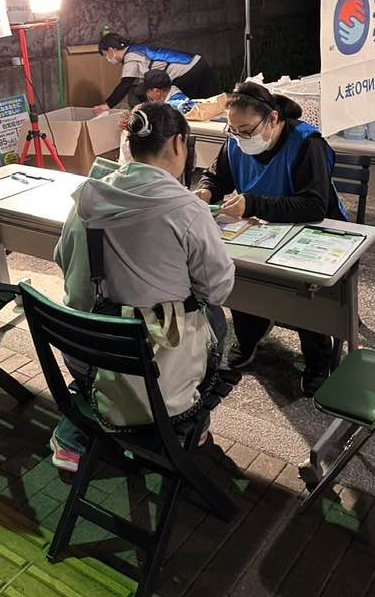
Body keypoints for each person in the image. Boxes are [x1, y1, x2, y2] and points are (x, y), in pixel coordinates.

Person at [51, 102, 234, 472]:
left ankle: (81, 426)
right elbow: (216, 289)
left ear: (130, 144)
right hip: (155, 375)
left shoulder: (88, 197)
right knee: (214, 317)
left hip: (86, 353)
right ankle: (184, 421)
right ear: (179, 144)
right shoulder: (188, 210)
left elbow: (62, 259)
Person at [195, 81, 347, 397]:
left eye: (247, 130)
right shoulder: (236, 141)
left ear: (273, 119)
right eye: (234, 130)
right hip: (261, 230)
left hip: (314, 232)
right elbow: (216, 176)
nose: (240, 137)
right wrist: (206, 190)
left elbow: (314, 206)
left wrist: (253, 204)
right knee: (238, 272)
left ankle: (318, 358)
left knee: (305, 292)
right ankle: (251, 332)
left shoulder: (306, 143)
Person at [94, 32, 219, 115]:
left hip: (187, 73)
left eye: (106, 55)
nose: (108, 59)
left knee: (192, 112)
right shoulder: (136, 49)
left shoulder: (131, 57)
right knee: (213, 105)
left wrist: (108, 105)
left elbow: (125, 84)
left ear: (110, 51)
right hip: (197, 63)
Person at [144, 69, 228, 121]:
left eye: (148, 91)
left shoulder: (175, 105)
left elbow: (199, 112)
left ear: (157, 91)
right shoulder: (173, 92)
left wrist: (226, 101)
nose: (147, 95)